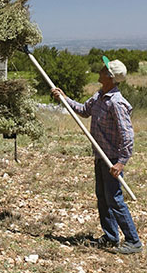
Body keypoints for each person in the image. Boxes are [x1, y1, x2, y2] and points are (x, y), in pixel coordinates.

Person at [52, 56, 142, 255]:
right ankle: (110, 237)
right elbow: (84, 111)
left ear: (110, 77)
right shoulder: (99, 96)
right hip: (100, 157)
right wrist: (64, 98)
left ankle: (133, 241)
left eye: (104, 68)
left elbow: (127, 136)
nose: (100, 70)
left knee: (115, 200)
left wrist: (121, 162)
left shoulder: (117, 103)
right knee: (102, 197)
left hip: (111, 160)